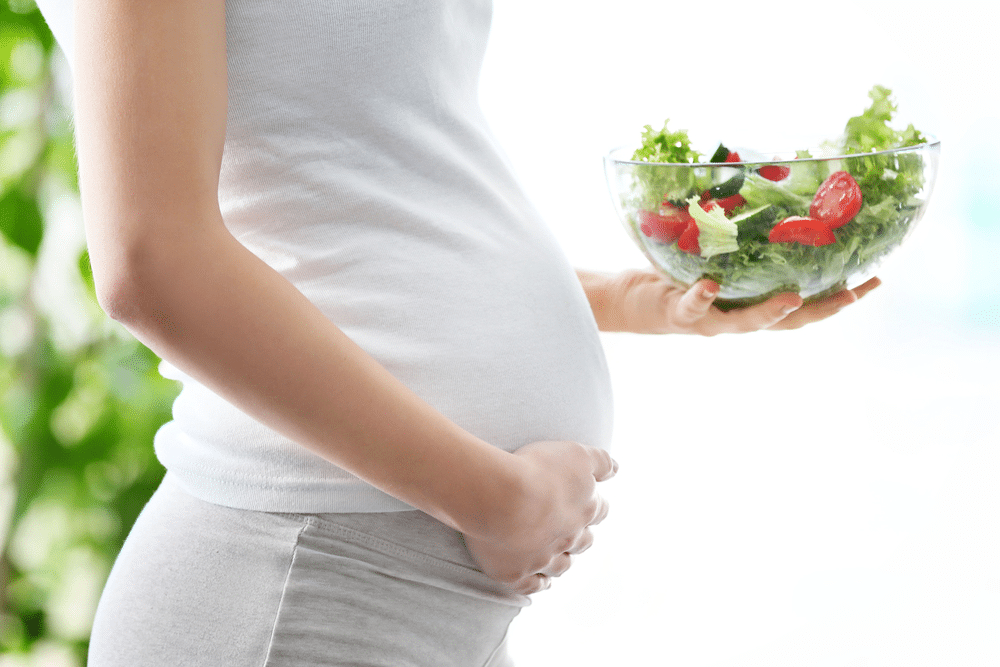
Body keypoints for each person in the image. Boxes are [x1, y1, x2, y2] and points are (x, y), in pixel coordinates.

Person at [34, 0, 879, 665]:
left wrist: (629, 300)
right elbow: (152, 261)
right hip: (297, 584)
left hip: (397, 592)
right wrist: (494, 498)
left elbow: (359, 182)